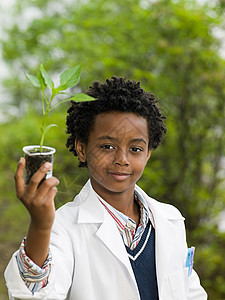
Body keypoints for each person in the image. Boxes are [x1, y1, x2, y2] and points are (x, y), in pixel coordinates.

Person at [5, 77, 207, 300]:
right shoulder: (63, 228)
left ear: (148, 153)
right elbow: (35, 294)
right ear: (82, 148)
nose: (122, 159)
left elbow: (192, 293)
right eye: (107, 146)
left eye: (136, 149)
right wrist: (41, 226)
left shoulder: (170, 220)